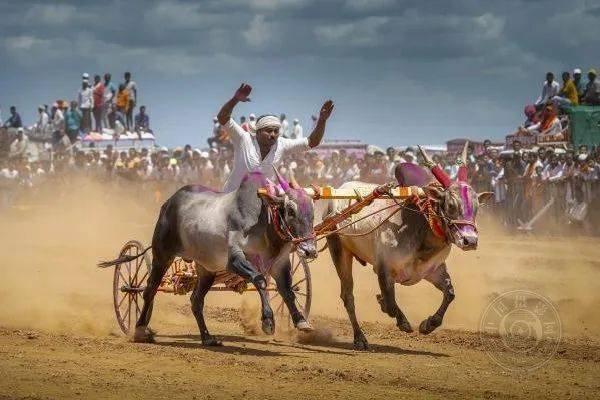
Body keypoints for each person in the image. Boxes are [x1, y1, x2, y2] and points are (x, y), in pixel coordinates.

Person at [217, 83, 334, 192]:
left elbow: (312, 142)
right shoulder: (244, 139)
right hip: (230, 200)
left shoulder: (282, 144)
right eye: (268, 131)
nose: (273, 134)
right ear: (257, 132)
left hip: (262, 202)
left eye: (276, 131)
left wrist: (322, 120)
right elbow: (223, 117)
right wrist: (235, 100)